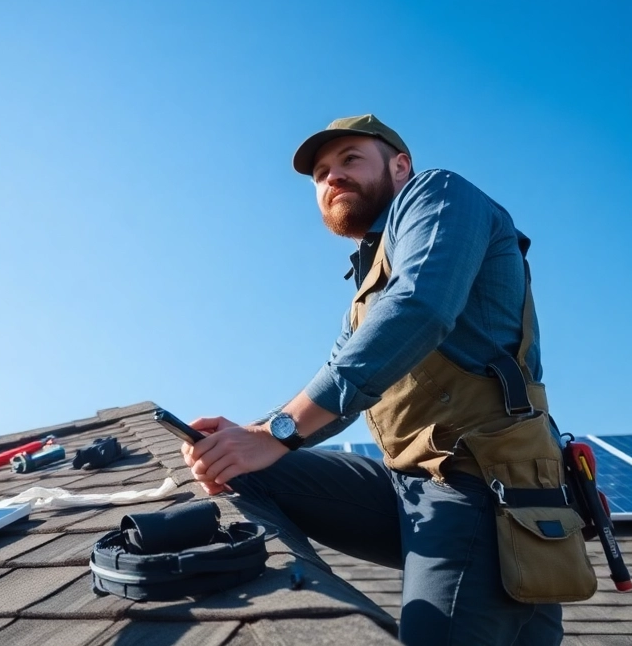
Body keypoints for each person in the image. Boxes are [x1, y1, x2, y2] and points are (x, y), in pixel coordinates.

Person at [182, 114, 564, 645]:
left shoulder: (439, 193)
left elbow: (420, 309)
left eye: (350, 159)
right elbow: (339, 384)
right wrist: (247, 437)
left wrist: (276, 433)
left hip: (479, 477)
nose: (332, 177)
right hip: (410, 483)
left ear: (400, 166)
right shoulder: (368, 285)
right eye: (321, 173)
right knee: (247, 470)